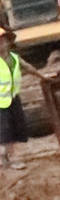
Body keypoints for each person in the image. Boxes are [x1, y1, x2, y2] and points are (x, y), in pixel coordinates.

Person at [0, 21, 25, 172]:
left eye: (3, 41)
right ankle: (6, 161)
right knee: (4, 132)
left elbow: (27, 67)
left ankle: (7, 159)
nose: (2, 44)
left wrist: (43, 76)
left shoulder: (13, 58)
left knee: (13, 129)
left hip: (13, 99)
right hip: (1, 103)